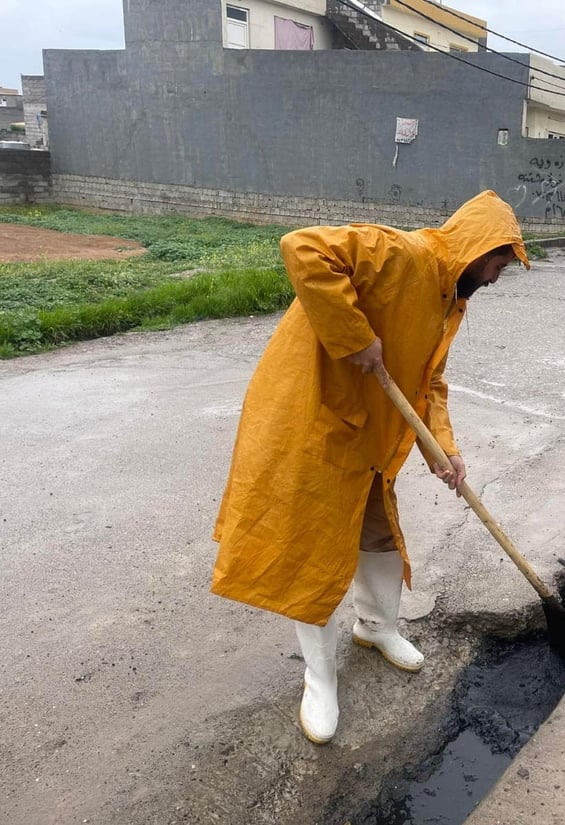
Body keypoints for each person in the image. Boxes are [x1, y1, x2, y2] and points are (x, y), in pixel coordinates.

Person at [210, 190, 530, 745]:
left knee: (378, 536)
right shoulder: (397, 253)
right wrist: (354, 337)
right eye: (500, 263)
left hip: (373, 437)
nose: (499, 277)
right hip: (315, 422)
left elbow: (429, 382)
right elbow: (303, 247)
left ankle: (376, 627)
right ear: (480, 249)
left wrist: (443, 449)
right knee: (314, 554)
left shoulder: (450, 299)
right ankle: (319, 677)